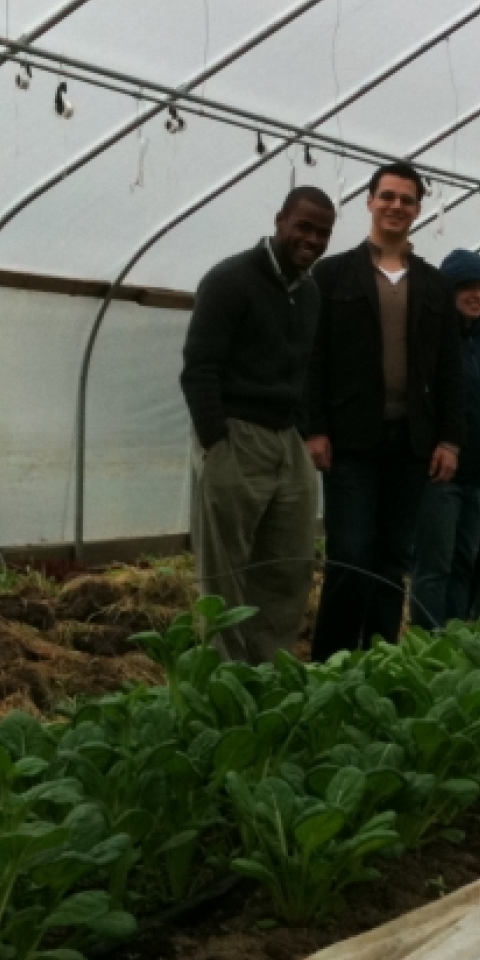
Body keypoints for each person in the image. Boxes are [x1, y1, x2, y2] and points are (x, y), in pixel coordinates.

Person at [304, 162, 464, 660]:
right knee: (350, 556)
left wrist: (449, 439)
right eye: (388, 196)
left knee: (394, 559)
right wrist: (313, 427)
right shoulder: (331, 275)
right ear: (369, 201)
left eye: (407, 200)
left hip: (412, 443)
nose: (397, 206)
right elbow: (312, 357)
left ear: (418, 210)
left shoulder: (435, 285)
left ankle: (380, 660)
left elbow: (450, 370)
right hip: (351, 439)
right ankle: (330, 662)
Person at [180, 186, 335, 664]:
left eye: (322, 232)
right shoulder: (230, 280)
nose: (311, 239)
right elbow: (199, 367)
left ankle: (269, 673)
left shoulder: (309, 292)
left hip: (286, 440)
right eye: (304, 226)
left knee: (288, 566)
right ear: (280, 220)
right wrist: (216, 443)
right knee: (225, 573)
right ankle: (223, 682)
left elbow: (306, 369)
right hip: (236, 432)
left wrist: (305, 431)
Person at [410, 250, 480, 629]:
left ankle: (454, 637)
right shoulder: (432, 338)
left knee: (465, 560)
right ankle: (427, 643)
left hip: (479, 471)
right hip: (439, 471)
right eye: (466, 287)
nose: (477, 296)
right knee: (434, 564)